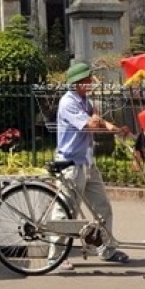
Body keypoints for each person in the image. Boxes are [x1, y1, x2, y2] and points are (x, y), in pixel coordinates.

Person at [54, 62, 130, 265]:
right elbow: (92, 124)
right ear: (78, 83)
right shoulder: (68, 103)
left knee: (102, 207)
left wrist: (116, 130)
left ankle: (107, 249)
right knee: (66, 212)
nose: (91, 83)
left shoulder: (84, 101)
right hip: (71, 164)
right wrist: (96, 117)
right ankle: (56, 256)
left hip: (87, 163)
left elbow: (100, 122)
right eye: (87, 80)